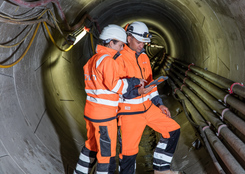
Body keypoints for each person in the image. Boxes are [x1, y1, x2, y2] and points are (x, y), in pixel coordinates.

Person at [74, 24, 146, 174]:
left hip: (91, 112)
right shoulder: (108, 61)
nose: (121, 49)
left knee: (91, 146)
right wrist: (134, 81)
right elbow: (115, 86)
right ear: (111, 42)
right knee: (106, 155)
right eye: (120, 45)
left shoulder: (93, 59)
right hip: (104, 117)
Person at [117, 21, 182, 174]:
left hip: (148, 108)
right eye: (139, 42)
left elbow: (150, 85)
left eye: (144, 43)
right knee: (128, 155)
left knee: (173, 130)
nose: (142, 46)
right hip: (129, 113)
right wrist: (137, 92)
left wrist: (159, 104)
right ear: (129, 38)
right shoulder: (119, 59)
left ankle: (161, 170)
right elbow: (116, 89)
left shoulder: (144, 57)